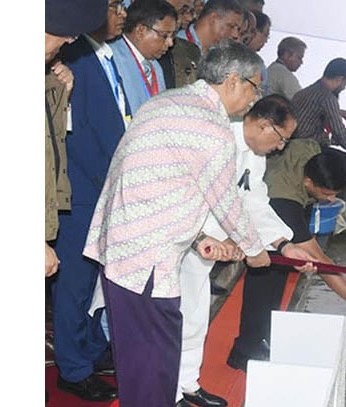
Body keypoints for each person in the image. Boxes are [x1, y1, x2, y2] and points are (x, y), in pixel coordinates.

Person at [83, 40, 272, 407]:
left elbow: (164, 183)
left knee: (139, 359)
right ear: (233, 80)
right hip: (146, 262)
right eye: (255, 86)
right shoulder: (211, 128)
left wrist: (199, 237)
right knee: (156, 362)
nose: (255, 97)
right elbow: (226, 202)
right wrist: (255, 250)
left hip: (124, 249)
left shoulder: (166, 102)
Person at [176, 96, 317, 407]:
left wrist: (283, 244)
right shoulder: (218, 139)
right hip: (183, 240)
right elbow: (203, 197)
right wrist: (251, 246)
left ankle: (187, 386)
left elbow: (254, 202)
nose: (281, 148)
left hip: (208, 248)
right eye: (281, 138)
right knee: (177, 318)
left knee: (196, 317)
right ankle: (169, 393)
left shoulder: (254, 154)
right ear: (263, 124)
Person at [227, 138, 346, 371]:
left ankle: (262, 338)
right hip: (263, 201)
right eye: (327, 193)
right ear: (308, 182)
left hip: (290, 188)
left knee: (286, 266)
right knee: (268, 272)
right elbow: (321, 262)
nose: (332, 199)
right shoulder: (284, 200)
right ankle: (245, 351)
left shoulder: (328, 160)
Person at [52, 0, 129, 401]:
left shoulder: (102, 54)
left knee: (91, 284)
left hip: (103, 189)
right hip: (82, 191)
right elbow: (73, 135)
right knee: (74, 286)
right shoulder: (74, 58)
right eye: (115, 6)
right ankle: (73, 368)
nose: (121, 14)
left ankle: (89, 352)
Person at [45, 0, 107, 278]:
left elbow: (51, 143)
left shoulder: (50, 75)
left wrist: (61, 92)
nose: (67, 44)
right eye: (65, 37)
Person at [159, 0, 244, 89]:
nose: (235, 34)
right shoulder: (172, 46)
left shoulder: (219, 56)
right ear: (213, 18)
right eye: (230, 26)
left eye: (237, 29)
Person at [111, 0, 177, 114]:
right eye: (165, 35)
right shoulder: (113, 58)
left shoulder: (155, 65)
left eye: (172, 36)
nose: (170, 43)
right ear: (140, 31)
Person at [290, 58, 346, 152]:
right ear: (340, 79)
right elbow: (338, 131)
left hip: (292, 143)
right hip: (305, 147)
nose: (344, 87)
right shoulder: (328, 97)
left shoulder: (306, 91)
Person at [267, 36, 306, 100]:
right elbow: (300, 101)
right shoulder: (283, 73)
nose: (301, 62)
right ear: (287, 54)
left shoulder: (272, 69)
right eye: (299, 57)